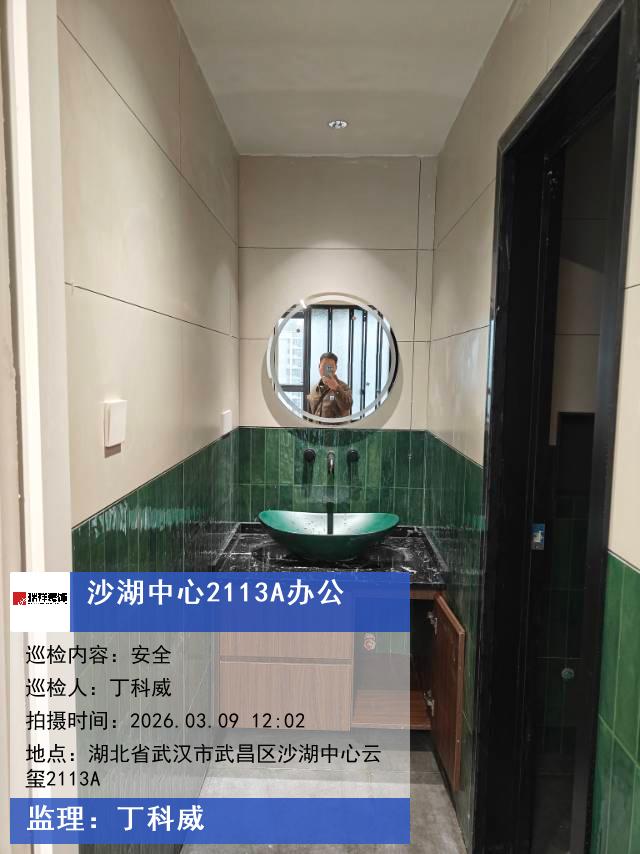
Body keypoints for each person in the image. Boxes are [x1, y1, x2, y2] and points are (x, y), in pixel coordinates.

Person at [307, 352, 353, 418]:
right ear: (319, 366)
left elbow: (347, 406)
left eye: (329, 367)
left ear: (336, 368)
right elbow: (310, 414)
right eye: (324, 366)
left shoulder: (344, 387)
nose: (326, 370)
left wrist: (336, 388)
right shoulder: (314, 389)